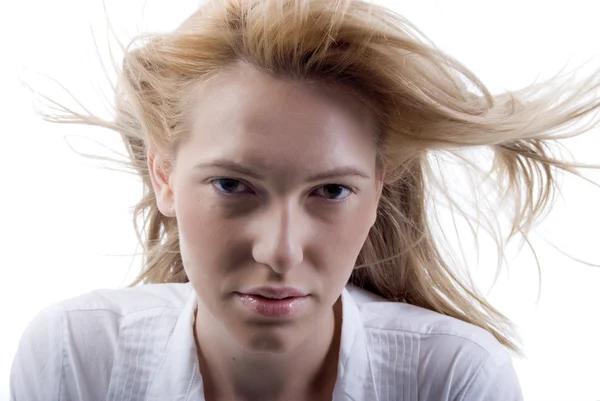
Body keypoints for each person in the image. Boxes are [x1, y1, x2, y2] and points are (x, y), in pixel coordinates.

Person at [9, 0, 600, 400]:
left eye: (332, 191)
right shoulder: (77, 359)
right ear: (163, 176)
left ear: (376, 193)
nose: (281, 251)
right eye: (233, 185)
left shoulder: (452, 379)